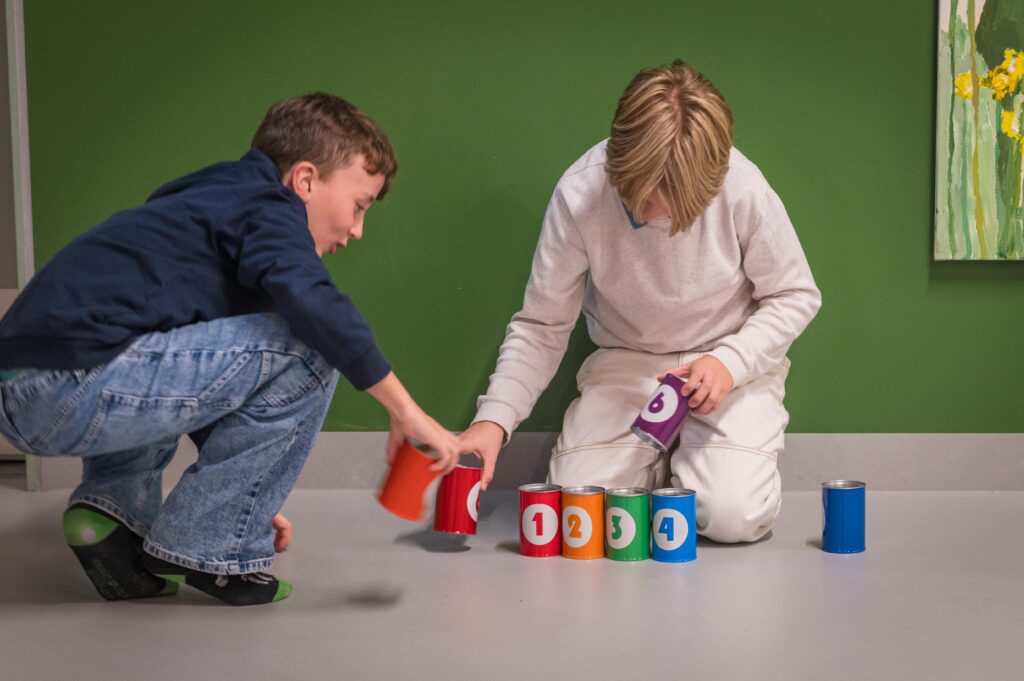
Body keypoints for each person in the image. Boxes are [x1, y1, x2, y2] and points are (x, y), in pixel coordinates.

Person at [0, 93, 460, 605]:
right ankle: (210, 551)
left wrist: (242, 497)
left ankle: (110, 516)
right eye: (358, 206)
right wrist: (406, 410)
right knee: (308, 347)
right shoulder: (265, 205)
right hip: (68, 383)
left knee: (166, 335)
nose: (356, 230)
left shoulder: (214, 197)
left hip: (30, 385)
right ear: (305, 181)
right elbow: (315, 303)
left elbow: (195, 384)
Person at [459, 60, 821, 543]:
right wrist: (493, 420)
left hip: (726, 366)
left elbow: (795, 295)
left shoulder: (743, 187)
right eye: (639, 197)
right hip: (627, 362)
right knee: (583, 515)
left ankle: (702, 460)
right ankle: (666, 461)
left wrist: (730, 363)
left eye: (668, 201)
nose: (649, 213)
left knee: (732, 516)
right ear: (618, 162)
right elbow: (542, 326)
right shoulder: (580, 193)